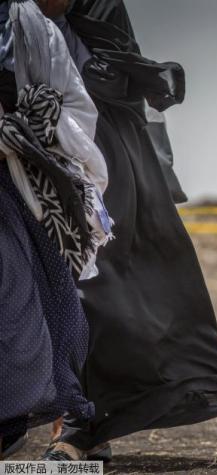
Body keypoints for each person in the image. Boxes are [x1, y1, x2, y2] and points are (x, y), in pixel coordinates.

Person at [36, 0, 217, 461]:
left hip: (92, 154)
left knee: (90, 288)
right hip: (25, 149)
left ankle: (79, 426)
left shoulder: (93, 18)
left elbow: (109, 72)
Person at [0, 0, 104, 459]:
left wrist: (19, 132)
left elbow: (75, 109)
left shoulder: (33, 30)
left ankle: (70, 427)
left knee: (40, 303)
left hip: (30, 185)